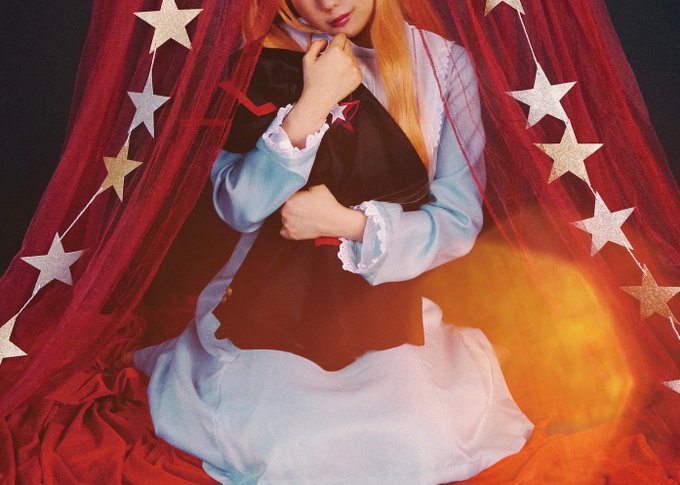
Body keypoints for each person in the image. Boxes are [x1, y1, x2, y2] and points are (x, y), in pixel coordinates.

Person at [130, 0, 533, 483]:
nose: (329, 2)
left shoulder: (441, 63)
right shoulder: (256, 60)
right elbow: (239, 207)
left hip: (384, 307)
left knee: (414, 441)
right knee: (285, 446)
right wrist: (312, 102)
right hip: (264, 306)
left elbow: (458, 220)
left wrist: (350, 225)